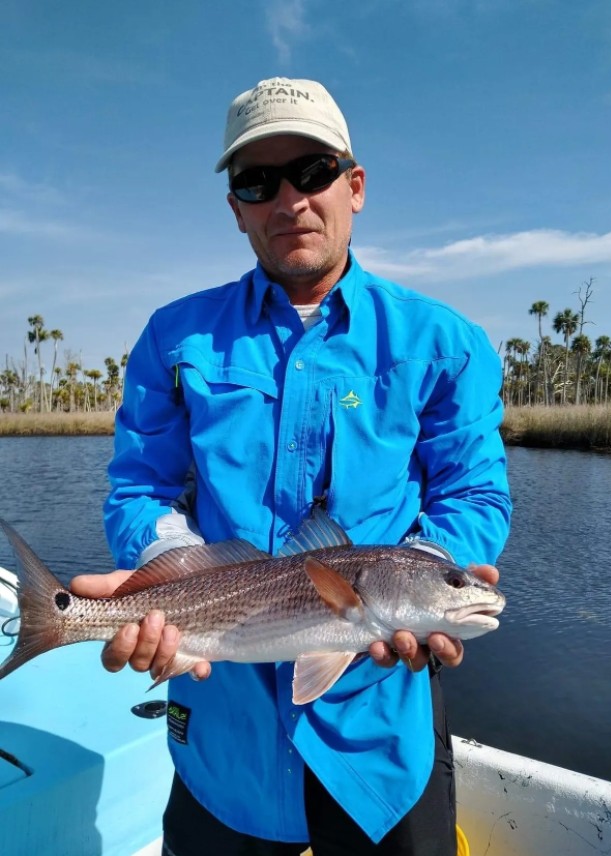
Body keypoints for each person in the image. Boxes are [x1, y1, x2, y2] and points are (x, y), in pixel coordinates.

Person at [72, 77, 511, 855]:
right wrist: (167, 573)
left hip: (378, 739)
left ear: (355, 186)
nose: (290, 199)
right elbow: (139, 485)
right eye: (257, 181)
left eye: (312, 171)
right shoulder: (174, 339)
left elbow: (472, 491)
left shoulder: (446, 342)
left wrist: (434, 573)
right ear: (236, 207)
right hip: (221, 735)